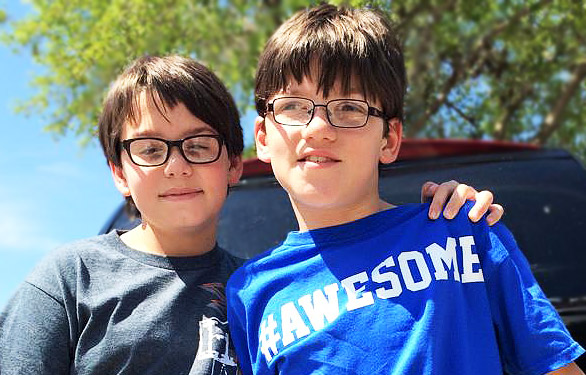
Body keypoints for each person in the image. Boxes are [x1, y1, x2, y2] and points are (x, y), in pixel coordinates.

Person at [0, 55, 500, 374]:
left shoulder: (259, 293)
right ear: (119, 171)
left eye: (198, 146)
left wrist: (453, 218)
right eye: (150, 149)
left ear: (234, 163)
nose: (175, 166)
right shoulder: (70, 279)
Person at [226, 4, 585, 375]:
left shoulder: (462, 231)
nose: (317, 128)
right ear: (263, 138)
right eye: (295, 107)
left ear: (389, 139)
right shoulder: (249, 294)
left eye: (349, 107)